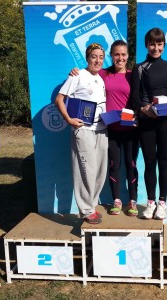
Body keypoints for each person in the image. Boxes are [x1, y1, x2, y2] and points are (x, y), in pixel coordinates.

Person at [70, 40, 139, 217]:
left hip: (131, 129)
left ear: (128, 56)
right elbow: (86, 74)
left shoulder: (134, 75)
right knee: (113, 166)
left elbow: (141, 99)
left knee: (131, 165)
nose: (120, 58)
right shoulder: (103, 73)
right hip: (111, 129)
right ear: (112, 56)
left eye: (123, 54)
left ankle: (132, 201)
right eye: (116, 54)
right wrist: (74, 72)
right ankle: (116, 200)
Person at [55, 43, 108, 224]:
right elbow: (59, 100)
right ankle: (86, 210)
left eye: (101, 57)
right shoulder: (78, 76)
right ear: (87, 58)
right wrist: (69, 120)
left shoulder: (100, 78)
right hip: (83, 130)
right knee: (86, 170)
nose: (98, 60)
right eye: (94, 56)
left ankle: (91, 206)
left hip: (101, 130)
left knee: (100, 171)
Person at [130, 28, 167, 220]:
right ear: (146, 45)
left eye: (159, 44)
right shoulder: (139, 67)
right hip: (147, 121)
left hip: (166, 121)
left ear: (164, 45)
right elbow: (135, 96)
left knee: (163, 161)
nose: (156, 48)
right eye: (152, 44)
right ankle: (150, 202)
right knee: (149, 163)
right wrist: (144, 109)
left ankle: (162, 203)